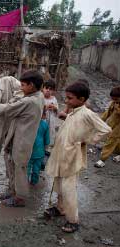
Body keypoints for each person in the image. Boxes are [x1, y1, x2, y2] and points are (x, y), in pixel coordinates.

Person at [45, 81, 111, 233]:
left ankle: (73, 220)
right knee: (59, 183)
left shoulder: (87, 113)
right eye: (66, 98)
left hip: (72, 157)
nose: (66, 101)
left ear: (81, 99)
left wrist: (87, 140)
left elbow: (106, 130)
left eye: (70, 98)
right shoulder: (73, 112)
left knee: (68, 189)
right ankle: (61, 208)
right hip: (61, 154)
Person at [0, 70, 44, 207]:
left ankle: (20, 197)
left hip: (22, 140)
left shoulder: (30, 101)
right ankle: (12, 190)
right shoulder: (37, 96)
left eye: (23, 85)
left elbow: (9, 109)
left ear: (32, 86)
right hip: (16, 136)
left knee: (19, 168)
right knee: (10, 162)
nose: (20, 88)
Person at [96, 86, 120, 167]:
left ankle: (103, 159)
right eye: (113, 99)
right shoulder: (115, 103)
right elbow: (108, 112)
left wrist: (118, 110)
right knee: (114, 140)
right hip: (113, 124)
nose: (114, 101)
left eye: (116, 99)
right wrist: (100, 121)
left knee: (112, 140)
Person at [27, 109, 50, 185]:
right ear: (43, 115)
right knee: (36, 169)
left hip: (28, 151)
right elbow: (47, 141)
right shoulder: (45, 125)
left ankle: (24, 184)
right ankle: (34, 183)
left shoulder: (29, 123)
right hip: (39, 152)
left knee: (26, 169)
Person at [43, 79, 58, 147]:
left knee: (49, 132)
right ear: (43, 88)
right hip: (43, 120)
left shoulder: (54, 99)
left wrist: (54, 108)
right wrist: (45, 108)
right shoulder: (41, 98)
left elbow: (56, 110)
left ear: (53, 91)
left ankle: (48, 145)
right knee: (42, 132)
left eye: (50, 89)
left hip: (51, 120)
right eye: (46, 88)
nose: (48, 90)